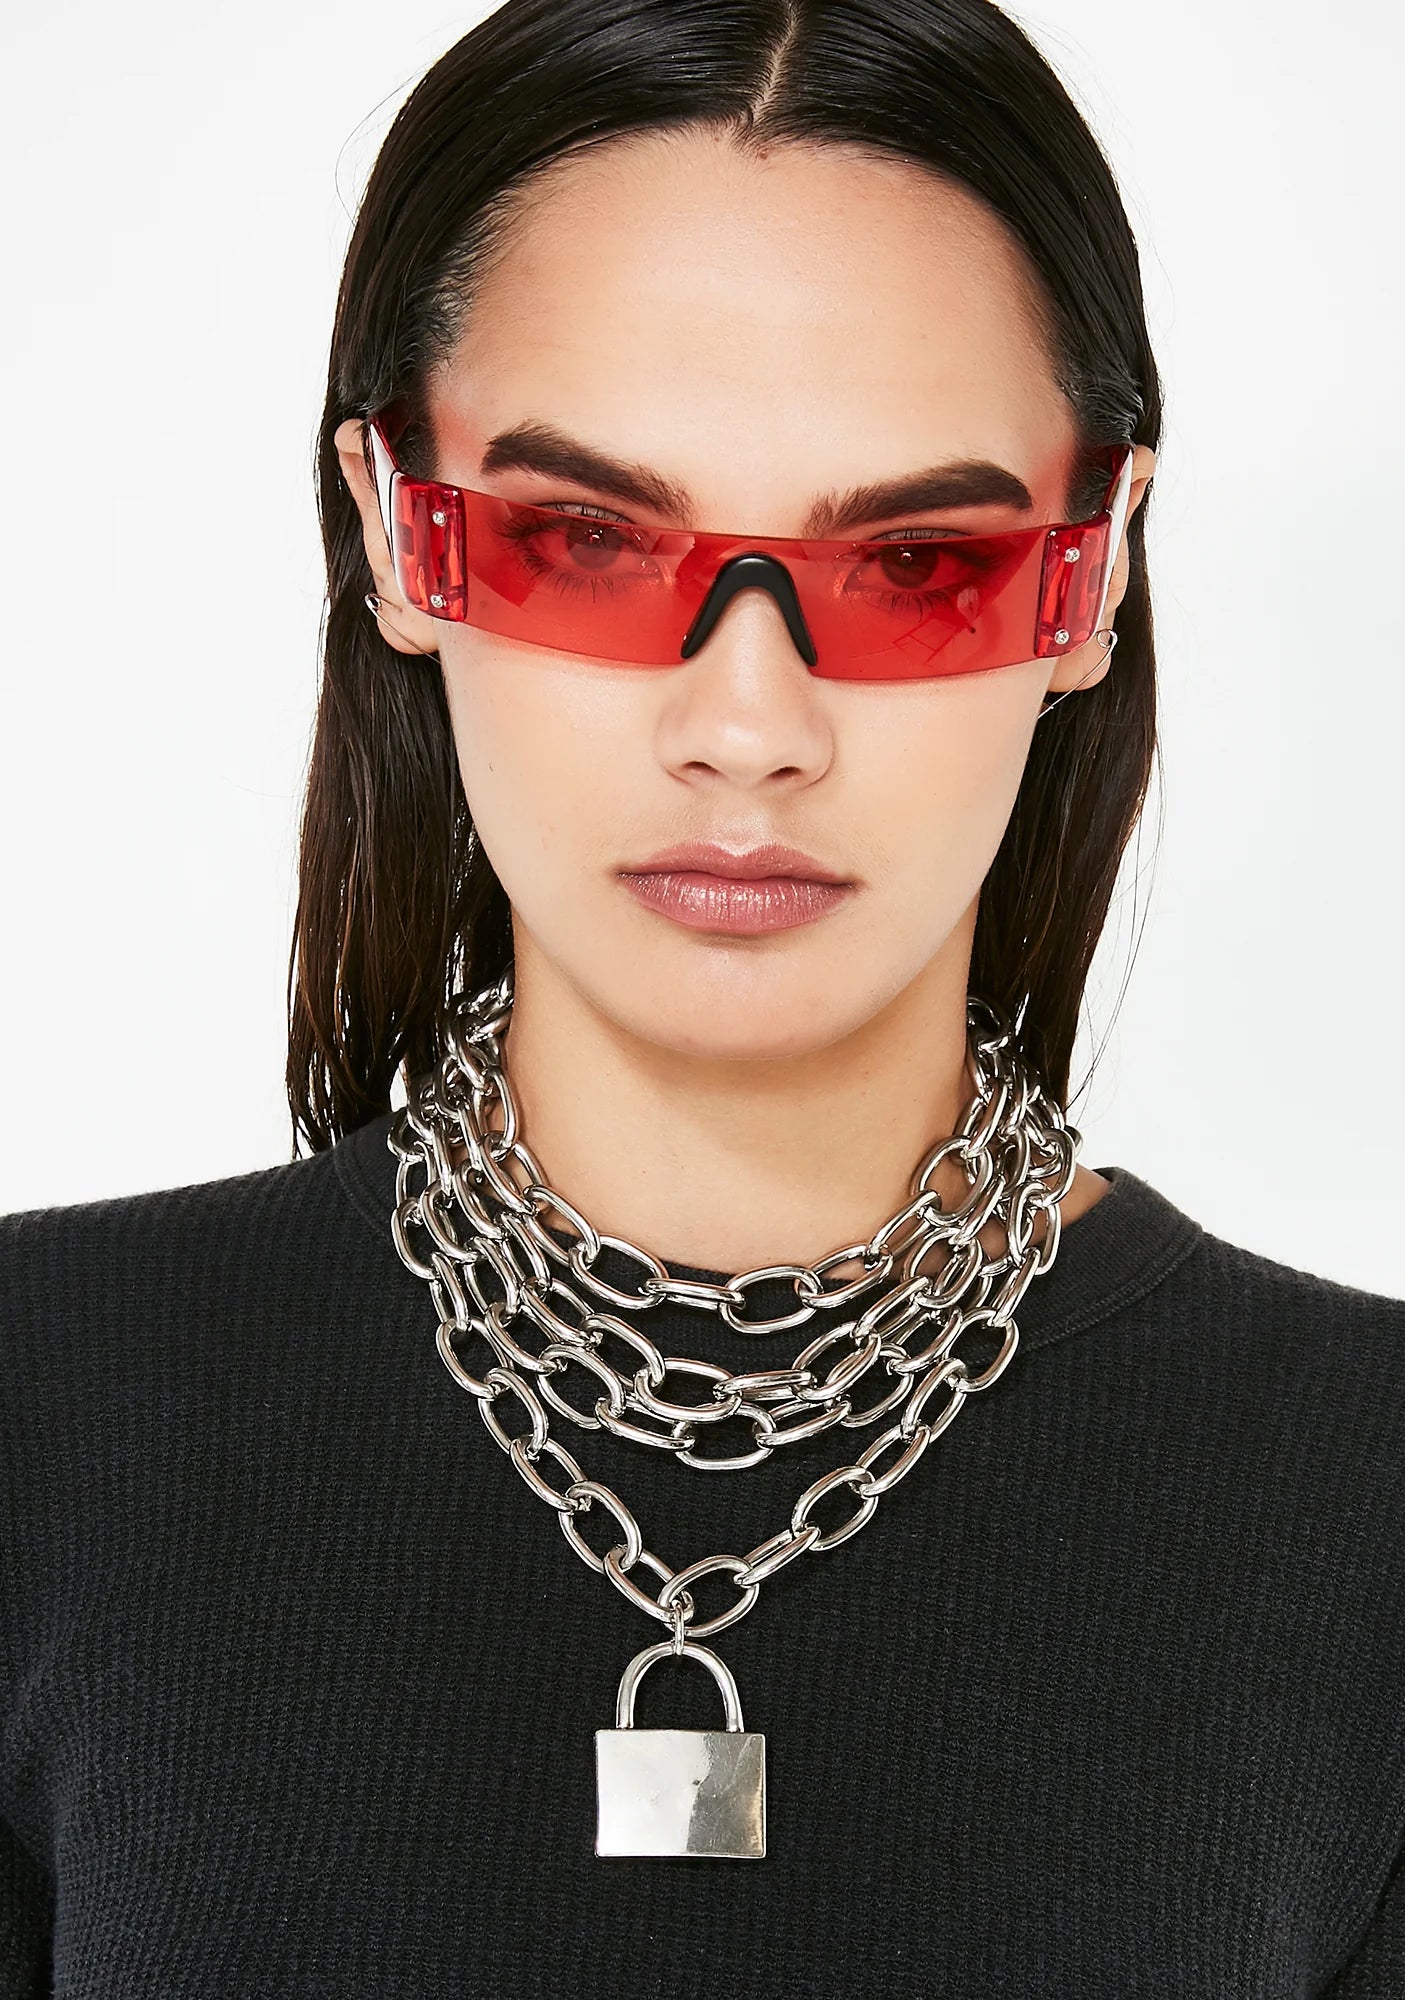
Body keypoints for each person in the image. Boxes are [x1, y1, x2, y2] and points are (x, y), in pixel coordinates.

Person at [3, 0, 1402, 1992]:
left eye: (913, 560)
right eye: (584, 539)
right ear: (397, 529)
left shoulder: (1362, 1499)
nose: (747, 725)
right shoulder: (43, 1411)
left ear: (1088, 576)